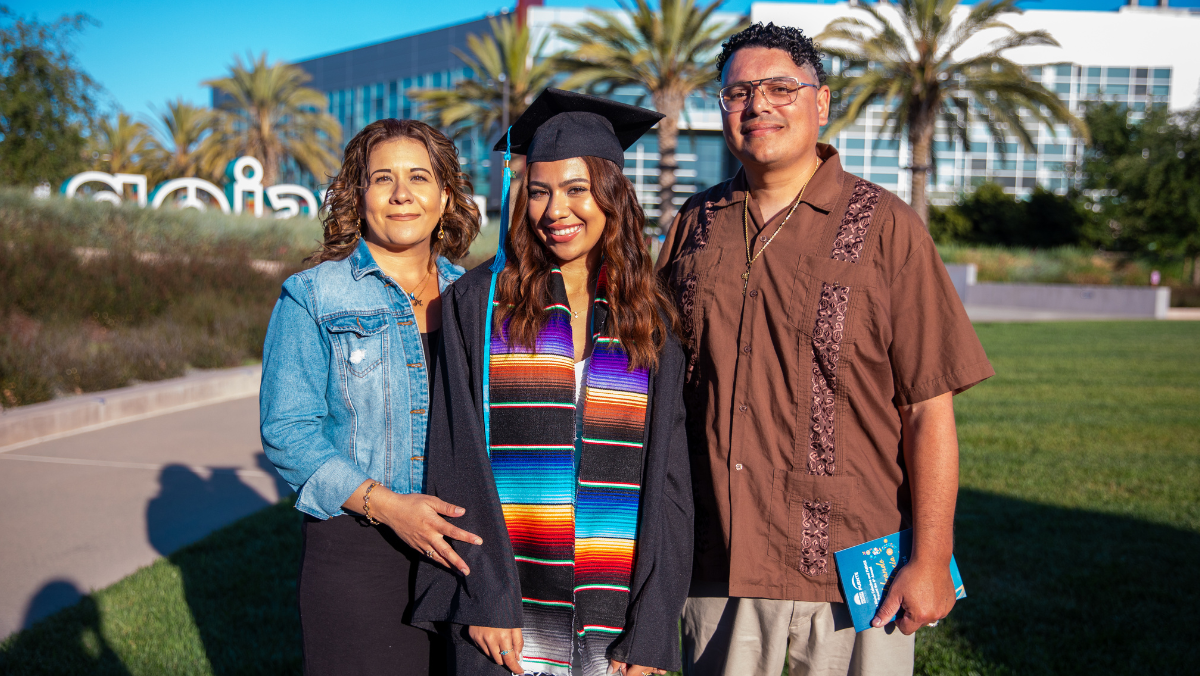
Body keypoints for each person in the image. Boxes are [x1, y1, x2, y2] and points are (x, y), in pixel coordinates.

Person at [655, 23, 996, 676]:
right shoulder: (692, 228)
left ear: (822, 102)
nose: (759, 105)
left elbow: (929, 409)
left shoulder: (888, 227)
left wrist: (930, 559)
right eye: (738, 92)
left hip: (855, 572)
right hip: (717, 562)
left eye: (782, 87)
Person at [413, 89, 693, 676]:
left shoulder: (649, 314)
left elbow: (668, 484)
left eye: (576, 189)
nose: (555, 210)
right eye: (538, 192)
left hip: (614, 614)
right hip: (506, 611)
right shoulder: (479, 303)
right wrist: (483, 598)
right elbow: (456, 455)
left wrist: (651, 632)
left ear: (612, 196)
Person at [259, 118, 483, 675]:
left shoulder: (480, 299)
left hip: (469, 550)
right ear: (358, 197)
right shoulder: (312, 295)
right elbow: (287, 430)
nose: (402, 193)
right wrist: (389, 507)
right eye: (383, 178)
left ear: (445, 196)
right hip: (359, 551)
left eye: (419, 177)